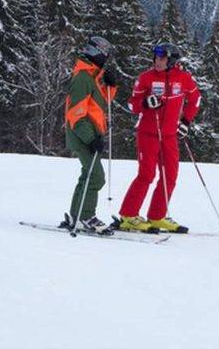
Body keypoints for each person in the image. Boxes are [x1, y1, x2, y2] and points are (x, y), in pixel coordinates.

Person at [115, 43, 201, 233]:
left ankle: (157, 216)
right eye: (156, 57)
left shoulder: (184, 79)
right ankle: (128, 216)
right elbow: (131, 105)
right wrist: (145, 102)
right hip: (148, 134)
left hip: (169, 135)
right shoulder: (146, 78)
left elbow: (196, 99)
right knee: (146, 175)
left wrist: (186, 122)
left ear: (171, 61)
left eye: (162, 58)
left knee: (170, 176)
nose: (157, 61)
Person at [60, 35, 121, 235]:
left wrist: (111, 86)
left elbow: (100, 103)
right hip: (82, 135)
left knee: (87, 174)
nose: (106, 59)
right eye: (105, 55)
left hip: (90, 134)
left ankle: (76, 215)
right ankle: (86, 216)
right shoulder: (83, 77)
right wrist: (90, 138)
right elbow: (76, 114)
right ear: (96, 53)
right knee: (96, 177)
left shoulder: (92, 76)